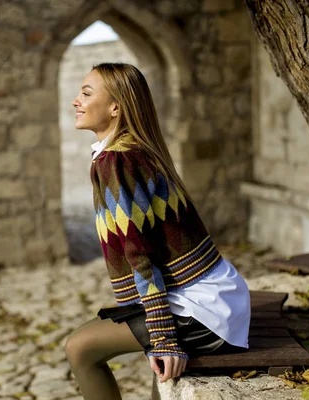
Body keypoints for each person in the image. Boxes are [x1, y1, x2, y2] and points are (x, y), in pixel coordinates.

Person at [65, 63, 251, 400]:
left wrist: (162, 337)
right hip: (221, 297)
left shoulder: (117, 161)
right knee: (88, 342)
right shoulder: (136, 150)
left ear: (115, 107)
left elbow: (140, 255)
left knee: (79, 348)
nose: (75, 101)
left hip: (205, 312)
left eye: (86, 93)